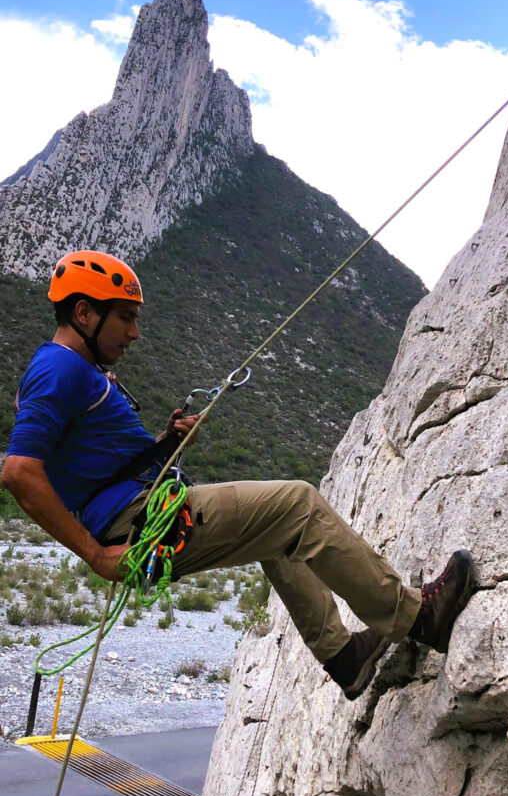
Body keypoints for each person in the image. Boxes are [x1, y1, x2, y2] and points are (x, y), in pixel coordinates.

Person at [2, 250, 476, 700]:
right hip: (138, 524)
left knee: (277, 533)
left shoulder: (74, 369)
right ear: (85, 314)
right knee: (297, 505)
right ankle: (419, 618)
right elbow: (20, 473)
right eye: (126, 316)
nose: (135, 332)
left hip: (137, 513)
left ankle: (344, 657)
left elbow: (92, 466)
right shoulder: (58, 368)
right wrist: (97, 555)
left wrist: (165, 444)